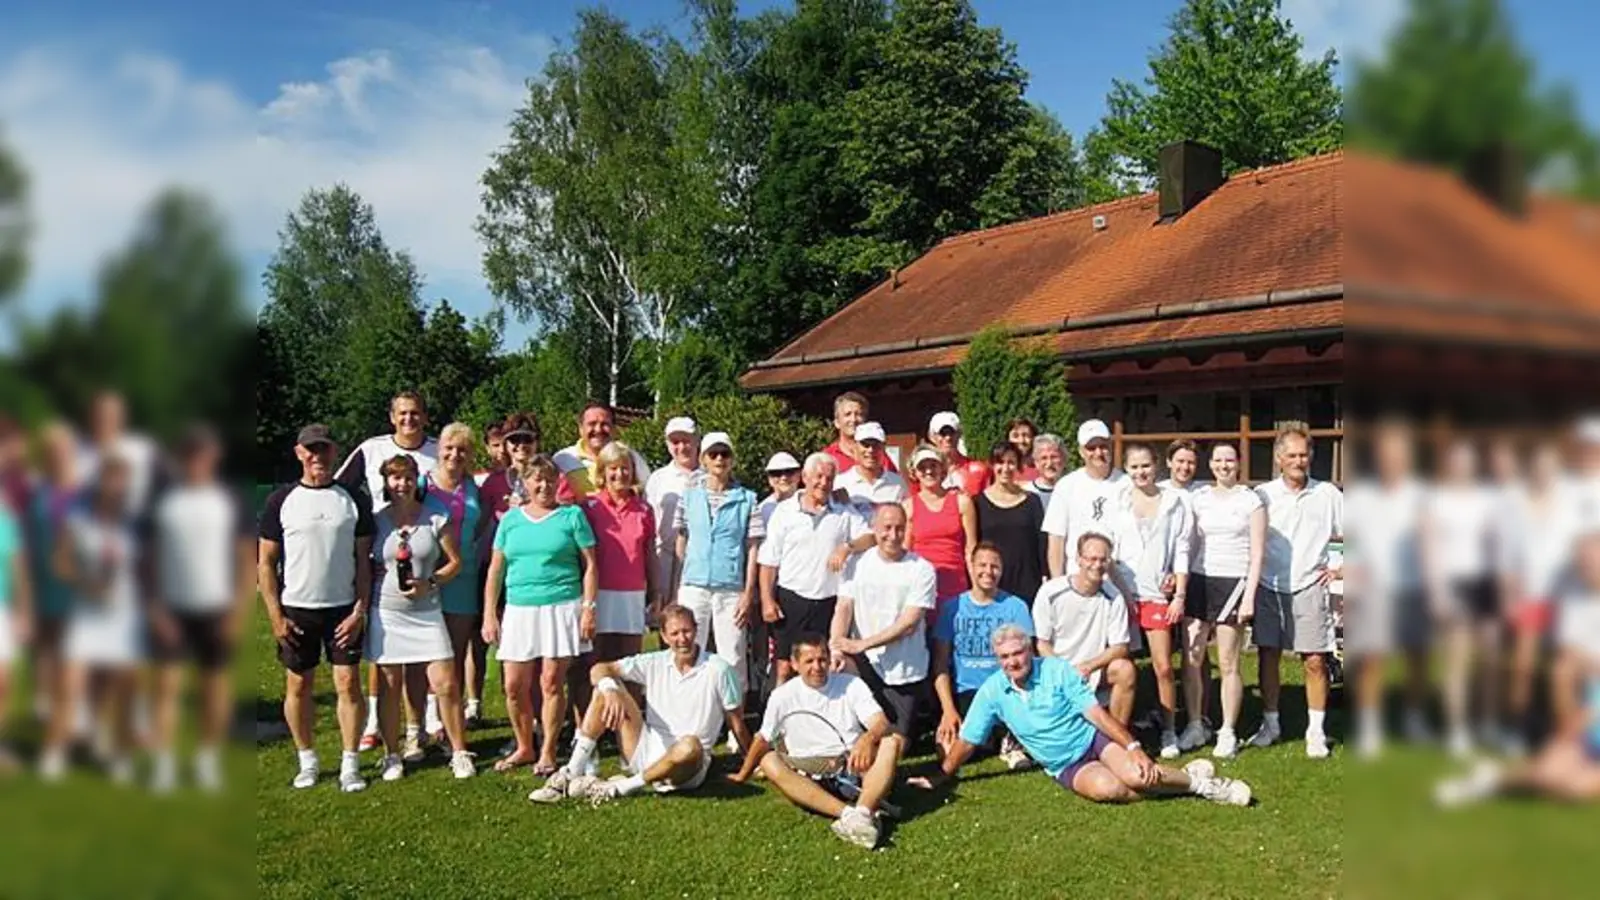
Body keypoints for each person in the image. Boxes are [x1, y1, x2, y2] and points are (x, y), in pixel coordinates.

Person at [912, 625, 1252, 808]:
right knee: (1111, 789)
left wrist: (1133, 747)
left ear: (1029, 650)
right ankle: (1180, 778)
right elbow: (968, 740)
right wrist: (942, 775)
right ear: (997, 659)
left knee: (1137, 774)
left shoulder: (1056, 670)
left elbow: (1097, 715)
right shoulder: (992, 692)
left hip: (1093, 740)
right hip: (1065, 764)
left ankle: (1205, 786)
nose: (1013, 661)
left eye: (1018, 653)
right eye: (1005, 657)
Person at [530, 605, 750, 805]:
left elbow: (736, 723)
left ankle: (621, 787)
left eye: (687, 631)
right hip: (644, 751)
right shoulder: (655, 661)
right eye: (674, 633)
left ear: (696, 629)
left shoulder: (719, 669)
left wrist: (751, 763)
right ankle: (570, 773)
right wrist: (609, 689)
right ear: (663, 636)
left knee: (690, 745)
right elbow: (599, 669)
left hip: (688, 766)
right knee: (605, 688)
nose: (682, 639)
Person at [256, 425, 374, 792]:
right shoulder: (281, 500)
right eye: (311, 450)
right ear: (299, 453)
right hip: (297, 609)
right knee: (298, 685)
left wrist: (359, 611)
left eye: (324, 449)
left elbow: (364, 561)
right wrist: (276, 616)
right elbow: (265, 563)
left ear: (334, 452)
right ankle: (307, 760)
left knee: (348, 684)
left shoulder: (353, 499)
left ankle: (350, 764)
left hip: (343, 609)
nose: (317, 456)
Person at [145, 425, 253, 793]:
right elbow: (149, 561)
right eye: (191, 456)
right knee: (167, 688)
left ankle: (207, 758)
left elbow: (245, 559)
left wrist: (237, 612)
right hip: (172, 607)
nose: (198, 463)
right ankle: (164, 763)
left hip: (215, 609)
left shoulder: (229, 500)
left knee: (214, 688)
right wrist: (156, 609)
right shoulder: (164, 502)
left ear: (213, 458)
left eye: (204, 456)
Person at [729, 634, 904, 850]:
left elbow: (880, 722)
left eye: (822, 659)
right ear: (795, 664)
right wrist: (742, 775)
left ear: (830, 659)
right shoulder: (782, 695)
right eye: (809, 661)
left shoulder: (851, 684)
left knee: (891, 742)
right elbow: (763, 739)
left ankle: (863, 810)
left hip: (852, 765)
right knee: (768, 760)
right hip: (807, 773)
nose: (817, 667)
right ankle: (851, 815)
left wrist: (867, 739)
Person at [482, 455, 598, 775]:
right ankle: (524, 746)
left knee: (551, 682)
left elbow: (590, 565)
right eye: (537, 479)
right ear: (526, 483)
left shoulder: (572, 516)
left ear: (557, 482)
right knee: (513, 685)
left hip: (561, 606)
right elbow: (496, 570)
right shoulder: (510, 520)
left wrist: (588, 608)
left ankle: (548, 750)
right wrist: (489, 613)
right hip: (519, 608)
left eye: (549, 479)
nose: (544, 485)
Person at [365, 454, 475, 782]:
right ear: (386, 482)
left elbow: (454, 562)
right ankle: (392, 755)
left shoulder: (436, 517)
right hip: (386, 613)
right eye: (395, 478)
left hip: (427, 613)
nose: (402, 484)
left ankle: (459, 752)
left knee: (446, 683)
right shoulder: (376, 520)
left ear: (417, 481)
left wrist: (431, 582)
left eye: (408, 478)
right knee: (389, 686)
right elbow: (365, 562)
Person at [340, 391, 439, 752]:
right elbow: (341, 488)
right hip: (381, 554)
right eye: (402, 413)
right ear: (392, 416)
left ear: (424, 416)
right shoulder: (371, 448)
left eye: (415, 413)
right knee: (381, 647)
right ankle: (373, 723)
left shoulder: (438, 449)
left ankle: (426, 720)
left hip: (427, 554)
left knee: (427, 648)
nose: (409, 419)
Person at [40, 456, 148, 783]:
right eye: (112, 482)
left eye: (123, 483)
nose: (118, 489)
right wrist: (85, 583)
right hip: (86, 617)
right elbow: (60, 563)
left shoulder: (133, 524)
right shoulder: (79, 521)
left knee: (120, 688)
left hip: (124, 618)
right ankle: (55, 752)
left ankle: (117, 754)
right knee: (71, 686)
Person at [1345, 418, 1434, 758]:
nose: (1395, 458)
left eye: (1401, 452)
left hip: (1414, 587)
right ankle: (1370, 726)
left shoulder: (1420, 494)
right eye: (1389, 452)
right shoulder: (1362, 496)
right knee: (1373, 660)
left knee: (1417, 658)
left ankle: (1414, 719)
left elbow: (1430, 541)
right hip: (1374, 590)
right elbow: (1350, 541)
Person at [1254, 422, 1343, 760]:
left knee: (1315, 660)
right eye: (1291, 455)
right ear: (1279, 459)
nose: (1298, 461)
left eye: (1303, 455)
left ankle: (1315, 732)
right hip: (1269, 585)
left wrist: (1341, 569)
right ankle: (1271, 724)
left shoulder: (1327, 494)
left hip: (1310, 585)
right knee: (1268, 656)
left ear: (1311, 457)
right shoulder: (1263, 495)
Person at [1180, 442, 1265, 758]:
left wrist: (1249, 596)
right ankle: (1195, 724)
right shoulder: (1199, 498)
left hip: (1234, 580)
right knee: (1192, 657)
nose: (1223, 465)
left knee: (1228, 661)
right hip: (1200, 579)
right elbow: (1188, 542)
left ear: (1238, 463)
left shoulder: (1250, 500)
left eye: (1229, 460)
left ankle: (1227, 730)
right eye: (1218, 460)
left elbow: (1257, 553)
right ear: (1211, 464)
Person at [1110, 443, 1194, 758]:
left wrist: (1179, 594)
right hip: (1122, 594)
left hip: (1157, 594)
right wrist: (1121, 592)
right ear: (1126, 469)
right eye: (1134, 467)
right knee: (1123, 666)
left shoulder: (1174, 502)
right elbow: (1109, 552)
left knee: (1163, 667)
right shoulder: (1118, 501)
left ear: (1156, 465)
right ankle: (1120, 731)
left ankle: (1169, 731)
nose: (1141, 472)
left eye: (1145, 465)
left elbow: (1182, 549)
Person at [758, 454, 873, 684]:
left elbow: (870, 537)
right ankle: (777, 707)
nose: (823, 483)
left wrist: (847, 547)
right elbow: (769, 561)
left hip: (828, 601)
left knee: (823, 665)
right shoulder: (784, 511)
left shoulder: (843, 511)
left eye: (829, 478)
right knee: (784, 667)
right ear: (805, 477)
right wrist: (767, 600)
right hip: (791, 599)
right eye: (818, 477)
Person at [830, 504, 936, 738]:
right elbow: (844, 606)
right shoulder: (856, 563)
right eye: (887, 528)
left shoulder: (922, 569)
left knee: (896, 742)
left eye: (899, 528)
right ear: (874, 528)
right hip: (864, 664)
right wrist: (836, 648)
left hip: (904, 669)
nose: (893, 535)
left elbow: (909, 624)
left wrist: (863, 644)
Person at [674, 432, 761, 716]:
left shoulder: (747, 499)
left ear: (732, 459)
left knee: (733, 655)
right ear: (703, 459)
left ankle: (735, 724)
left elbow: (753, 548)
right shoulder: (688, 497)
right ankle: (692, 717)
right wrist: (680, 583)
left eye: (725, 454)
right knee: (689, 651)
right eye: (713, 454)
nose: (719, 459)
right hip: (694, 585)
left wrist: (748, 592)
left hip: (730, 588)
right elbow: (681, 541)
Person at [931, 542, 1035, 768]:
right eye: (982, 565)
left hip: (1004, 688)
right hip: (967, 692)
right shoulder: (952, 608)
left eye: (994, 566)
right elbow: (940, 664)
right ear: (971, 566)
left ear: (1002, 570)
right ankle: (1000, 737)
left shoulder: (1016, 607)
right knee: (948, 752)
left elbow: (1028, 659)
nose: (988, 571)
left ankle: (1011, 739)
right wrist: (948, 711)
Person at [423, 423, 493, 731]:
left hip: (464, 576)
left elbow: (481, 521)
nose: (454, 455)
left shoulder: (472, 486)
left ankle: (451, 717)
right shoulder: (424, 484)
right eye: (449, 448)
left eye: (462, 450)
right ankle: (429, 718)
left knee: (457, 648)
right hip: (429, 575)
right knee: (429, 649)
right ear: (439, 450)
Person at [1033, 534, 1135, 725]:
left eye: (1103, 560)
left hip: (1093, 670)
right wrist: (1064, 672)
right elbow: (1042, 644)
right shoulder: (1050, 592)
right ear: (1078, 559)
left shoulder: (1114, 597)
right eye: (1091, 559)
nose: (1097, 565)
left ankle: (1117, 734)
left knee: (1125, 670)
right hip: (1056, 669)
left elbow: (1120, 647)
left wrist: (1088, 666)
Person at [25, 422, 81, 727]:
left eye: (62, 450)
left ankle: (76, 708)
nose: (58, 456)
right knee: (44, 642)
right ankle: (44, 703)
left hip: (78, 582)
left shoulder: (84, 490)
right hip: (43, 578)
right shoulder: (38, 491)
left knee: (73, 646)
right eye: (52, 451)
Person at [582, 441, 658, 663]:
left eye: (625, 468)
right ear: (603, 472)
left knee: (629, 661)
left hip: (632, 593)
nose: (620, 474)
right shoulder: (589, 506)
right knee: (594, 658)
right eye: (613, 468)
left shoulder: (644, 509)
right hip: (598, 592)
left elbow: (649, 553)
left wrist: (656, 592)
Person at [1042, 419, 1129, 580]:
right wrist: (1057, 582)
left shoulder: (1127, 484)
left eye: (1103, 446)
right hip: (1077, 579)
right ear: (1081, 451)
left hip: (1119, 580)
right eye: (1091, 448)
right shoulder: (1066, 486)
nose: (1098, 452)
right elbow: (1056, 540)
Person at [903, 445, 977, 622]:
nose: (928, 471)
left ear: (942, 468)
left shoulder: (962, 502)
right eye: (922, 467)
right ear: (915, 472)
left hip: (955, 585)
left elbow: (971, 549)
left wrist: (976, 589)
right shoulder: (908, 506)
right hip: (922, 587)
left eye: (933, 465)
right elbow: (905, 551)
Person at [975, 441, 1047, 605]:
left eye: (1011, 462)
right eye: (1000, 462)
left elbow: (1042, 544)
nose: (1005, 468)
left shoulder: (1032, 501)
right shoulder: (978, 503)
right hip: (991, 583)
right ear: (992, 465)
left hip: (1027, 585)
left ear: (1018, 466)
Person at [644, 416, 700, 607]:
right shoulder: (658, 479)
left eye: (686, 441)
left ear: (697, 441)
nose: (681, 447)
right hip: (664, 560)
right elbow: (649, 524)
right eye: (676, 442)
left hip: (699, 562)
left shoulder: (710, 477)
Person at [554, 402, 651, 504]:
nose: (598, 429)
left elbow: (646, 496)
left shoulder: (631, 458)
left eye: (605, 424)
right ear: (581, 429)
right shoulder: (563, 460)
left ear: (614, 428)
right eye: (592, 424)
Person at [0, 483, 33, 771]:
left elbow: (18, 568)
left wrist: (23, 610)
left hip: (2, 607)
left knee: (3, 681)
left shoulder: (6, 518)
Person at [834, 422, 907, 511]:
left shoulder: (898, 484)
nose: (870, 450)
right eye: (865, 444)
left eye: (876, 445)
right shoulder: (840, 483)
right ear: (855, 447)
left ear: (883, 448)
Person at [823, 391, 897, 475]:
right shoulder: (827, 457)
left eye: (859, 414)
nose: (853, 419)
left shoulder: (877, 455)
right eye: (847, 414)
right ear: (837, 422)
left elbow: (893, 480)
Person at [929, 411, 989, 497]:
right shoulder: (925, 475)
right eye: (943, 433)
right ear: (932, 437)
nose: (948, 438)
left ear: (959, 434)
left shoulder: (978, 470)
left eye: (952, 432)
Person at [1025, 433, 1067, 507]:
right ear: (1036, 462)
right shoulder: (1027, 493)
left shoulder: (1074, 489)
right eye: (1044, 458)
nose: (1049, 463)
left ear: (1064, 459)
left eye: (1054, 457)